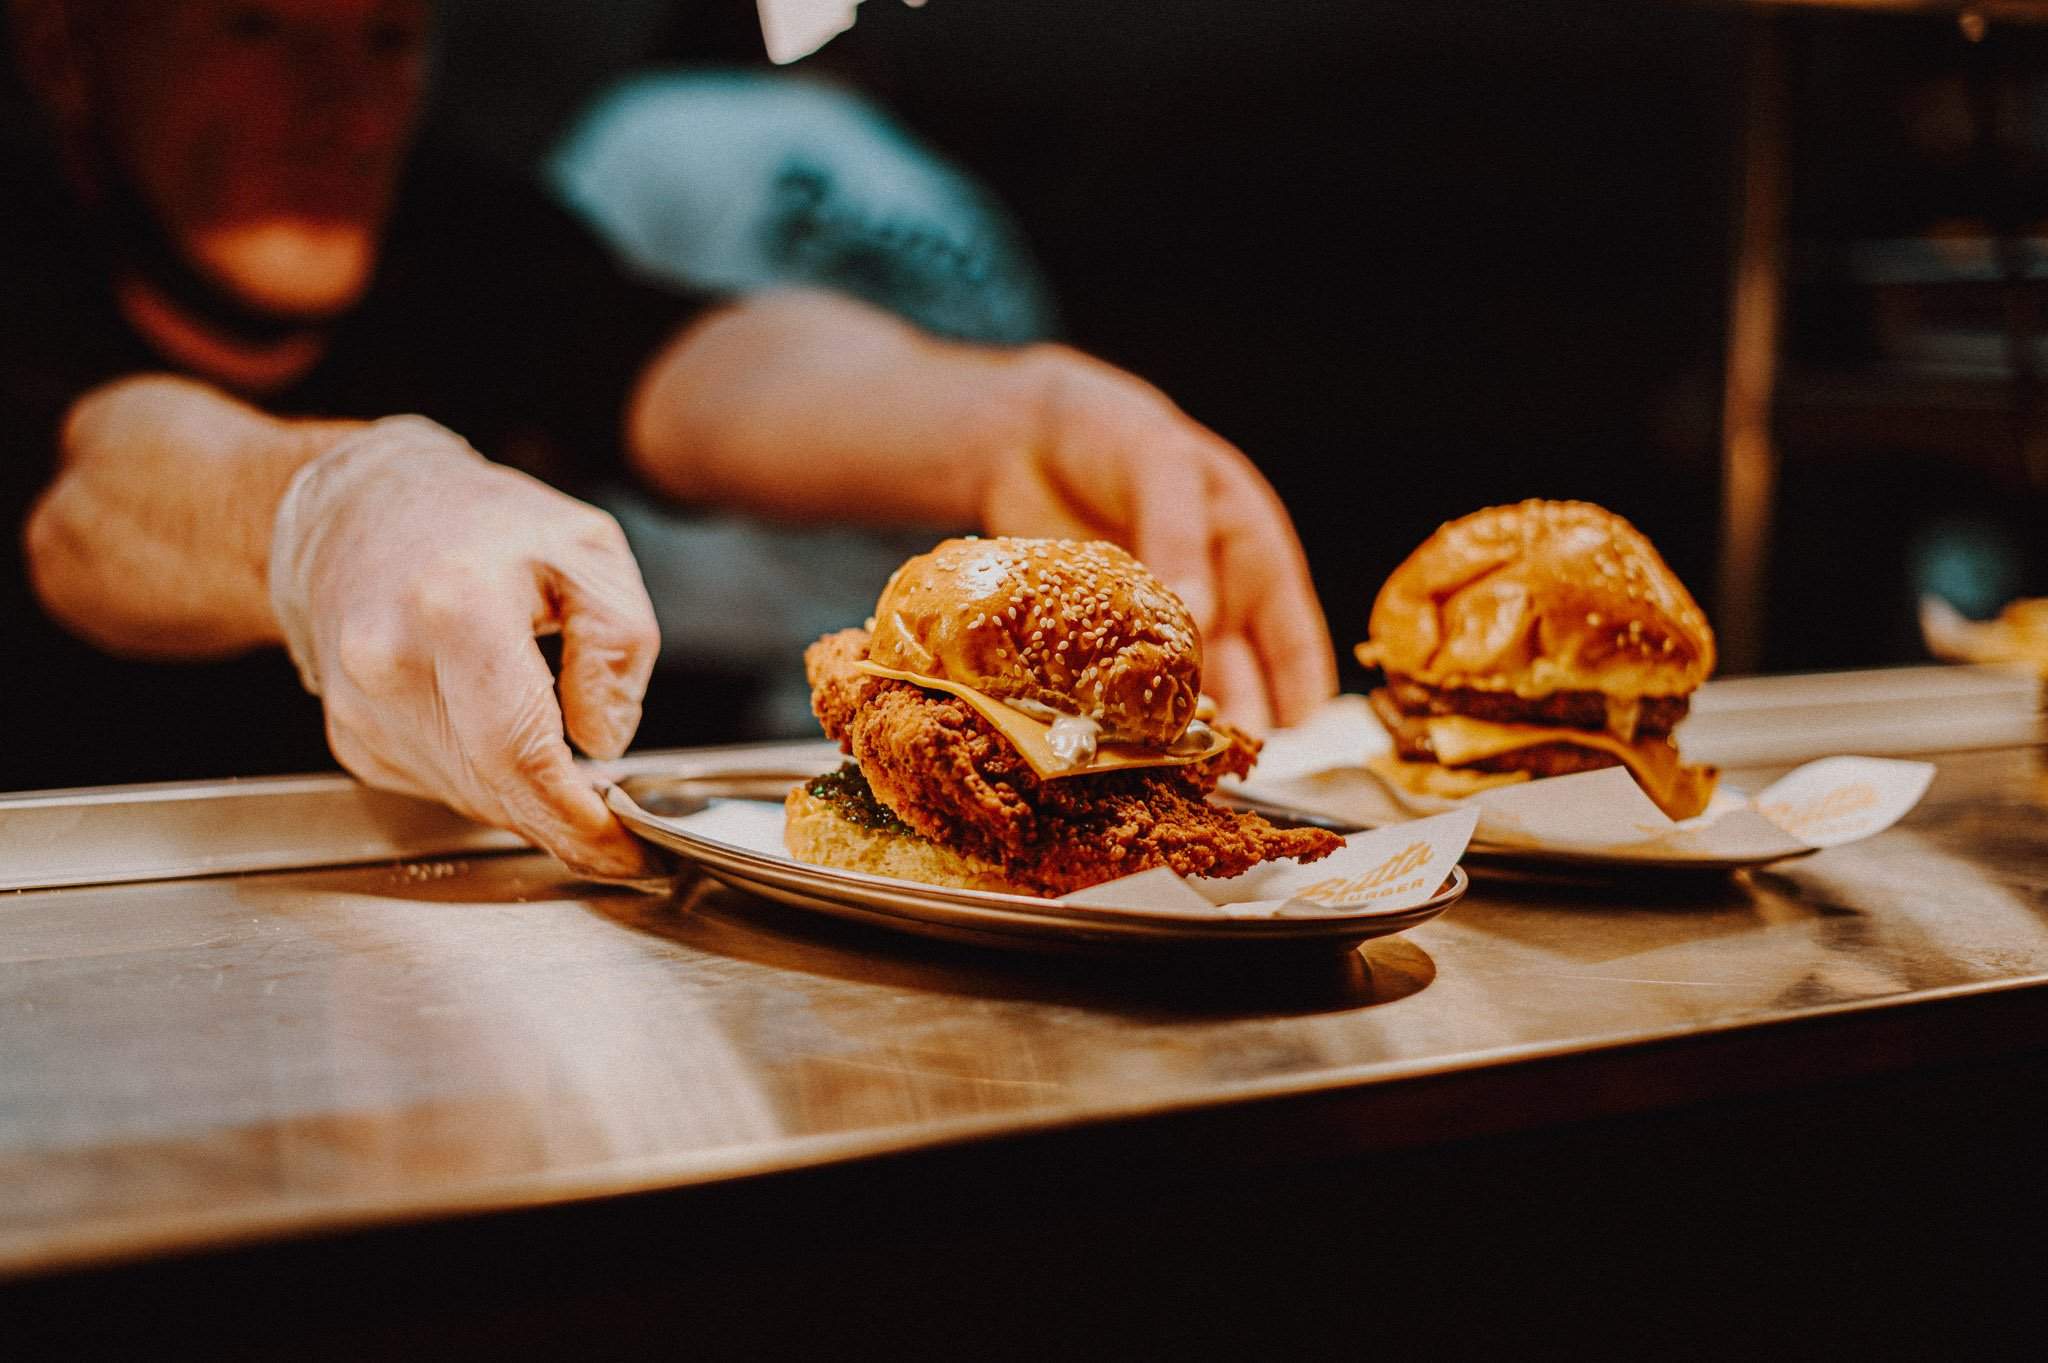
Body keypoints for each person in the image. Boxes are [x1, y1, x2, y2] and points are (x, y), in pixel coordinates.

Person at [0, 0, 1334, 878]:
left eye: (388, 38)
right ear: (65, 47)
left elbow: (692, 367)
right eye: (258, 24)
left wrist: (1000, 415)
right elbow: (88, 484)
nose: (342, 103)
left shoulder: (456, 230)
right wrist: (327, 508)